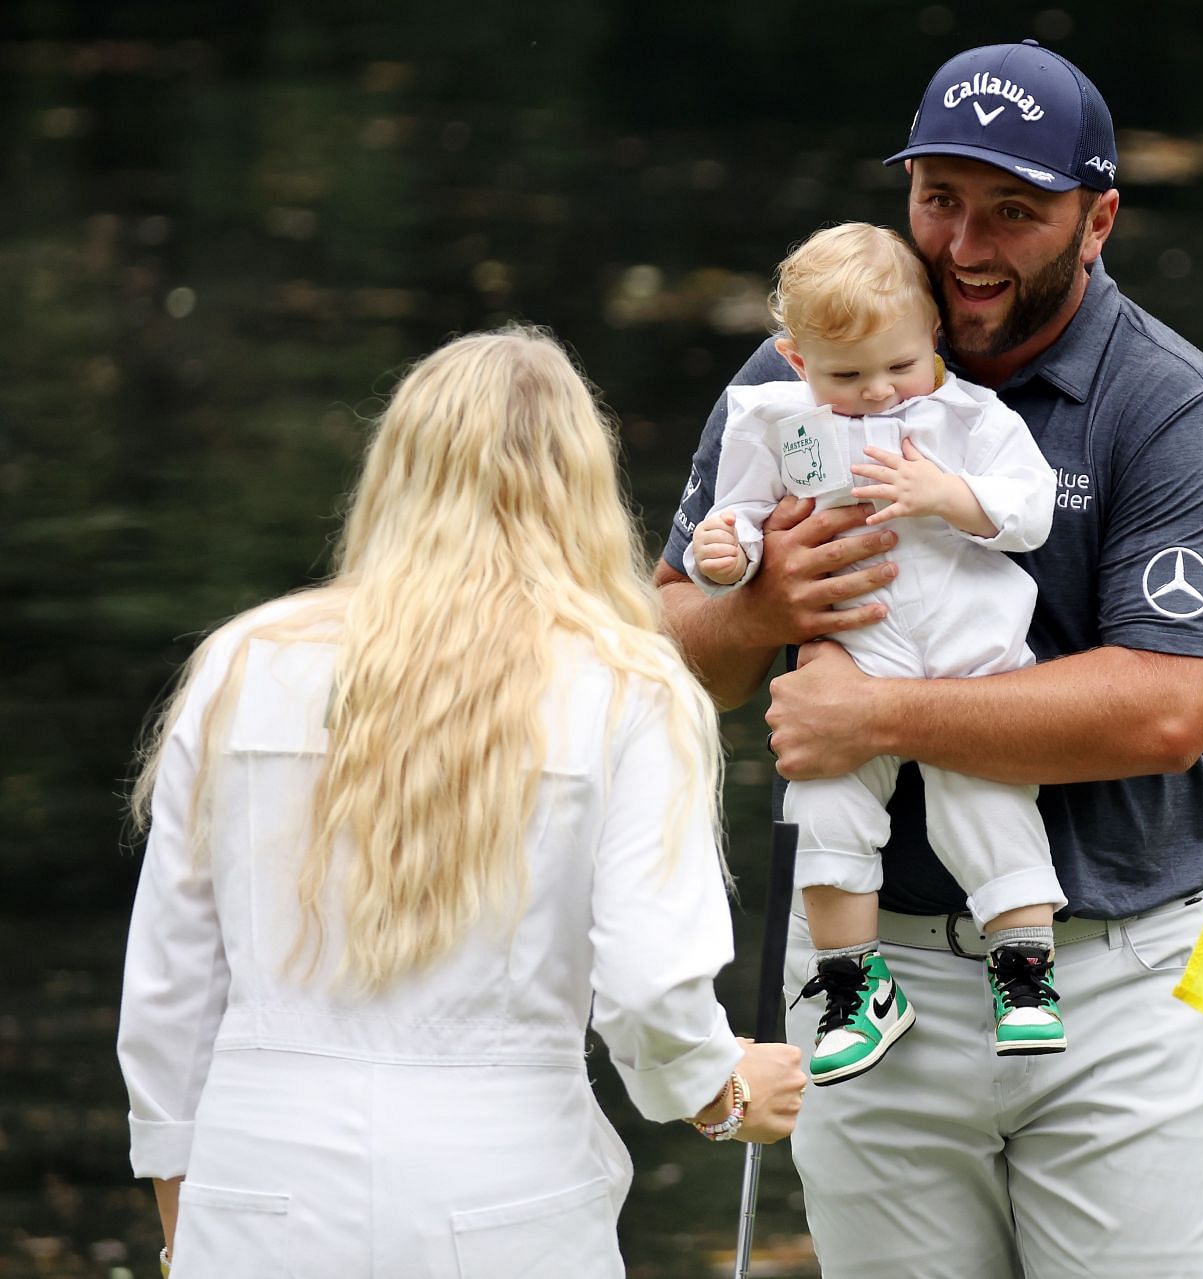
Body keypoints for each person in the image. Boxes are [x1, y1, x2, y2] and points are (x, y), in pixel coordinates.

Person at [657, 40, 1203, 1279]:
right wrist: (758, 601)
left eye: (1013, 213)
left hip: (1116, 984)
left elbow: (1164, 711)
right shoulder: (794, 376)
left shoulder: (1171, 405)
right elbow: (664, 655)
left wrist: (874, 715)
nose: (965, 247)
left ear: (1098, 221)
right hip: (869, 990)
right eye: (940, 200)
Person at [117, 327, 806, 1279]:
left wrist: (184, 1223)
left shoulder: (244, 662)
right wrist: (717, 1087)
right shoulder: (628, 685)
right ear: (581, 486)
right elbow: (649, 985)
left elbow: (170, 989)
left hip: (255, 1180)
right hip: (508, 1185)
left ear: (394, 470)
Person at [685, 221, 1067, 1085]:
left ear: (933, 333)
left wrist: (951, 495)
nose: (878, 393)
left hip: (971, 666)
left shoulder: (970, 417)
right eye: (845, 376)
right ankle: (856, 986)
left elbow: (1031, 510)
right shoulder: (778, 424)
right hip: (852, 662)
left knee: (988, 805)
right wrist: (728, 556)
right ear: (795, 360)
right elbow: (739, 515)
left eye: (898, 366)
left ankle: (1026, 973)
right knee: (822, 811)